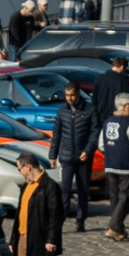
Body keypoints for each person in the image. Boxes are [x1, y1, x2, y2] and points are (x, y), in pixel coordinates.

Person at [49, 84, 97, 234]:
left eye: (72, 95)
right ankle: (60, 220)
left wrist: (88, 150)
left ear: (78, 95)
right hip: (67, 156)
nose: (69, 99)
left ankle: (81, 219)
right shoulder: (62, 110)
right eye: (67, 95)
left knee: (83, 189)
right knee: (65, 189)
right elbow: (56, 134)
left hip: (83, 157)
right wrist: (53, 155)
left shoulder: (89, 109)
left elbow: (95, 133)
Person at [98, 91, 129, 242]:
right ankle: (113, 226)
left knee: (115, 198)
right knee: (126, 196)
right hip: (125, 164)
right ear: (124, 106)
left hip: (110, 163)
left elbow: (101, 144)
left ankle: (119, 229)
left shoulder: (107, 122)